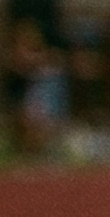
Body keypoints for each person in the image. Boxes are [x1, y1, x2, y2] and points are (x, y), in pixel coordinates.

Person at [6, 20, 67, 160]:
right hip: (32, 92)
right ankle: (30, 154)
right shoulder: (21, 53)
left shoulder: (47, 53)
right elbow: (18, 65)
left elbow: (55, 62)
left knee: (44, 126)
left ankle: (45, 154)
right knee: (29, 124)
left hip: (46, 92)